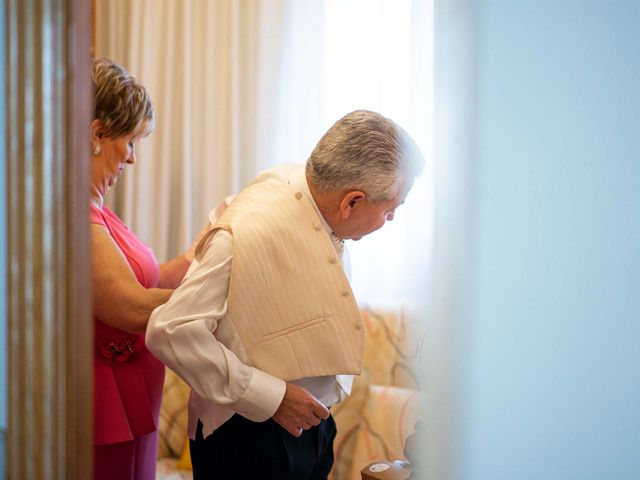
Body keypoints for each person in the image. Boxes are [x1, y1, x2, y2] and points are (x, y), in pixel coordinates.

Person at [146, 109, 425, 479]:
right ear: (352, 203)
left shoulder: (312, 190)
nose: (389, 221)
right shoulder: (247, 230)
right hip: (248, 441)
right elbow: (170, 329)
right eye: (391, 209)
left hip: (310, 430)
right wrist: (272, 397)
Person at [89, 58, 209, 480]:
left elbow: (149, 278)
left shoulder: (98, 212)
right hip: (104, 408)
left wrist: (205, 251)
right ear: (97, 134)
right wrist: (220, 297)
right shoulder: (76, 217)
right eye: (132, 141)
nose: (133, 159)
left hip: (132, 397)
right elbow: (131, 305)